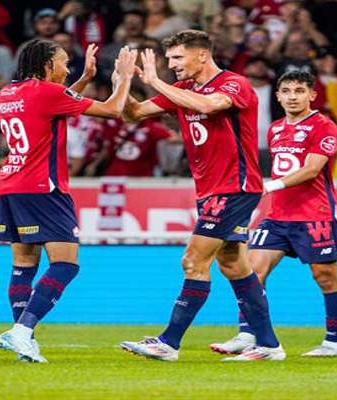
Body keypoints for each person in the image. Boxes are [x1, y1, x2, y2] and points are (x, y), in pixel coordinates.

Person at [120, 30, 284, 362]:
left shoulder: (234, 84)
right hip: (210, 189)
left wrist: (155, 80)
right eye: (169, 60)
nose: (172, 65)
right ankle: (268, 345)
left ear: (202, 56)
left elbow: (210, 105)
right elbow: (133, 114)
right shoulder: (182, 90)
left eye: (178, 58)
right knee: (234, 265)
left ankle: (169, 342)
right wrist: (122, 82)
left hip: (235, 187)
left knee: (193, 261)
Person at [0, 39, 137, 362]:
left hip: (12, 185)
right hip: (45, 188)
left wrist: (84, 78)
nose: (67, 69)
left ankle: (21, 338)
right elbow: (113, 109)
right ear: (47, 66)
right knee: (66, 264)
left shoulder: (8, 93)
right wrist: (125, 77)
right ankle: (22, 331)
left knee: (23, 266)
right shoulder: (48, 94)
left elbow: (55, 102)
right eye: (63, 63)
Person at [209, 70, 337, 357]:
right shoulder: (274, 129)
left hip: (315, 214)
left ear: (312, 95)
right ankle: (248, 333)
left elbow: (312, 169)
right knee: (252, 271)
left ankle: (333, 343)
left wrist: (271, 185)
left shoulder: (324, 126)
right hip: (277, 215)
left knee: (325, 277)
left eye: (299, 91)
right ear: (278, 96)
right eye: (286, 91)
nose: (293, 97)